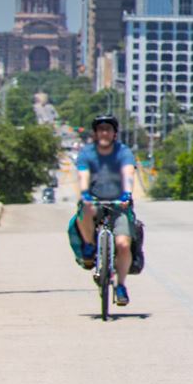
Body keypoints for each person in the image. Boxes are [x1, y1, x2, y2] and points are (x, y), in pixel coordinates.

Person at [72, 115, 138, 306]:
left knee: (123, 244)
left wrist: (126, 194)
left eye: (108, 129)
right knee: (84, 208)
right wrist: (85, 193)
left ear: (114, 133)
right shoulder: (87, 153)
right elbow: (83, 174)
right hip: (95, 201)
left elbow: (128, 172)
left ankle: (121, 285)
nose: (104, 133)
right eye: (100, 129)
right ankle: (90, 245)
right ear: (95, 133)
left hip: (119, 204)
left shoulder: (123, 152)